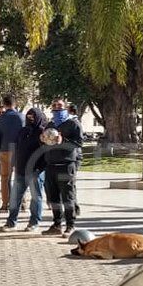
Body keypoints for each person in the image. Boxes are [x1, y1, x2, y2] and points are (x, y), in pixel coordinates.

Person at [0, 107, 47, 232]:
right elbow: (17, 148)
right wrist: (14, 164)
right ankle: (11, 222)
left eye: (33, 117)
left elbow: (46, 154)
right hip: (20, 170)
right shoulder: (23, 131)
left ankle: (34, 222)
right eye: (28, 117)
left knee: (36, 198)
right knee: (15, 197)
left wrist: (39, 168)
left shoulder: (43, 133)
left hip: (35, 171)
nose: (30, 119)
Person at [41, 98, 83, 236]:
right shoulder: (50, 124)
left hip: (66, 165)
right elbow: (45, 144)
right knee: (53, 197)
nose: (57, 108)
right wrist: (42, 140)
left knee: (67, 196)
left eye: (59, 106)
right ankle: (57, 224)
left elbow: (78, 143)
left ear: (65, 107)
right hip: (51, 165)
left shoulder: (73, 123)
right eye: (54, 106)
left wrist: (62, 140)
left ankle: (70, 225)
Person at [0, 96, 25, 211]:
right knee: (20, 177)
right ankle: (22, 203)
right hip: (19, 151)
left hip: (5, 151)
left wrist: (0, 148)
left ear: (4, 104)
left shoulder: (0, 119)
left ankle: (5, 204)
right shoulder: (22, 117)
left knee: (5, 178)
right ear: (15, 104)